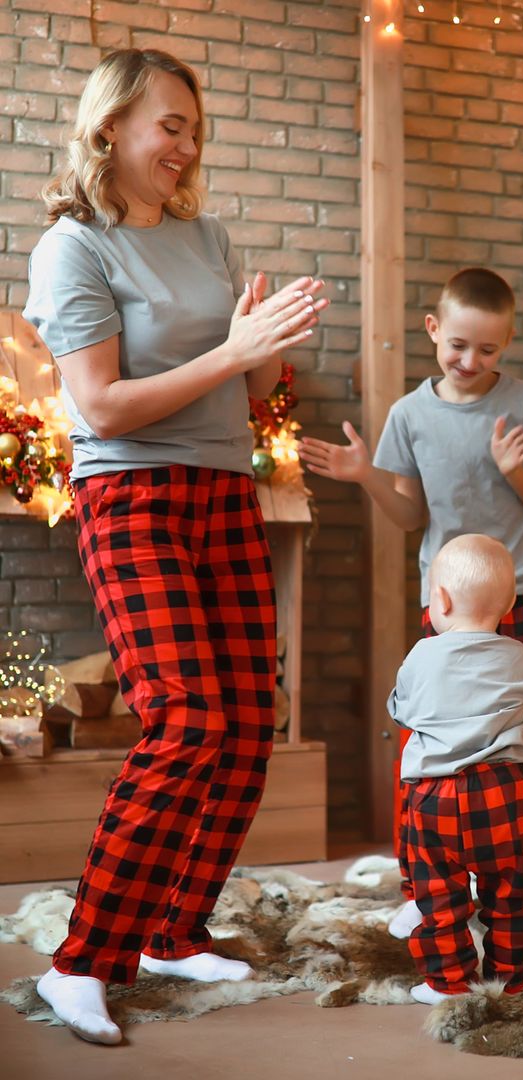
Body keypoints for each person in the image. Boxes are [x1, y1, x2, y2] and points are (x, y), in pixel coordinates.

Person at [22, 48, 328, 1045]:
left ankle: (172, 928)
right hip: (133, 495)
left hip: (223, 491)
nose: (187, 144)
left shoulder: (209, 237)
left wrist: (261, 347)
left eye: (196, 127)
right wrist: (231, 351)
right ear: (111, 128)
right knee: (186, 717)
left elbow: (242, 392)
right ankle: (84, 960)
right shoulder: (74, 249)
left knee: (246, 721)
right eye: (171, 125)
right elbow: (100, 402)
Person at [300, 267, 523, 944]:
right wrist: (366, 475)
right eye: (458, 345)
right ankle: (427, 887)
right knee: (433, 750)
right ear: (433, 331)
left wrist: (515, 471)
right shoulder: (409, 416)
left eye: (488, 350)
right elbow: (408, 516)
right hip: (447, 611)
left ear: (506, 343)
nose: (471, 361)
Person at [390, 534, 523, 1004]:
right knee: (509, 887)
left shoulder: (421, 654)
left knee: (438, 892)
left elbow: (402, 710)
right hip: (501, 789)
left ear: (440, 598)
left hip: (434, 794)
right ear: (511, 601)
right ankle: (510, 979)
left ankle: (449, 982)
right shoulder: (517, 654)